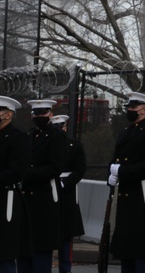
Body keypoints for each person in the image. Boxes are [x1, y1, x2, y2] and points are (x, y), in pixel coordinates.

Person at [108, 92, 145, 273]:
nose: (129, 110)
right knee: (128, 252)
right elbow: (117, 158)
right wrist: (112, 173)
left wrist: (122, 171)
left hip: (144, 196)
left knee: (143, 250)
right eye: (129, 107)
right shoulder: (126, 131)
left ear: (143, 110)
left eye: (133, 108)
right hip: (127, 195)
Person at [20, 99, 67, 273]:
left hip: (44, 197)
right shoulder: (29, 136)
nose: (40, 116)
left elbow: (55, 167)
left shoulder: (56, 136)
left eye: (43, 113)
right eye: (37, 114)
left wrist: (27, 173)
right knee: (25, 252)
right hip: (27, 198)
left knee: (41, 252)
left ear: (50, 114)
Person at [50, 116, 85, 273]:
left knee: (66, 236)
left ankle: (66, 269)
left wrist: (66, 183)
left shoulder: (75, 146)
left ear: (64, 128)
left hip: (67, 191)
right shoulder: (47, 144)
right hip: (49, 188)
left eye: (60, 127)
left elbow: (80, 169)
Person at [0, 96, 30, 273]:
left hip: (5, 200)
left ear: (8, 114)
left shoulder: (18, 138)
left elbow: (17, 171)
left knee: (4, 254)